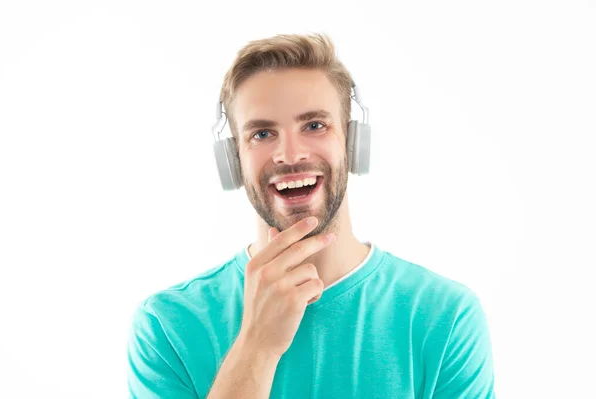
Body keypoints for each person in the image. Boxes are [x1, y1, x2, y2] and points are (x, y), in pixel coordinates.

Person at [126, 32, 496, 398]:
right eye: (262, 133)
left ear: (353, 144)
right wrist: (257, 347)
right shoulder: (166, 327)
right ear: (233, 161)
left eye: (314, 126)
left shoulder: (445, 316)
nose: (290, 154)